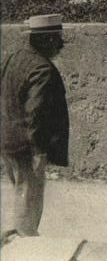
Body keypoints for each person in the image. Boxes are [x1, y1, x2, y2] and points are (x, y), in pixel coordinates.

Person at [0, 14, 69, 236]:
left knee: (20, 189)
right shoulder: (42, 69)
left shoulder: (14, 59)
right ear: (47, 40)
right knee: (29, 194)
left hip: (7, 139)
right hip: (27, 144)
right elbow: (36, 112)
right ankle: (25, 241)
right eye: (57, 38)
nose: (61, 44)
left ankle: (21, 236)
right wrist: (39, 150)